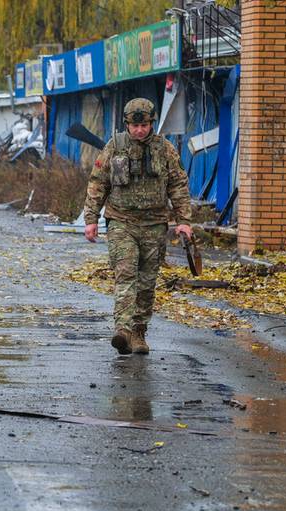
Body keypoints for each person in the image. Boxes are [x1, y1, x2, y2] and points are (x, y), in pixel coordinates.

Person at [83, 98, 192, 355]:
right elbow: (98, 183)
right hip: (122, 221)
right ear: (127, 125)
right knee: (126, 274)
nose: (140, 130)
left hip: (154, 224)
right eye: (135, 125)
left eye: (144, 125)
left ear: (152, 123)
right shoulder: (115, 147)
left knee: (146, 281)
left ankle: (139, 331)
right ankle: (122, 329)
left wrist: (184, 221)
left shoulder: (165, 150)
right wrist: (91, 219)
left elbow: (178, 185)